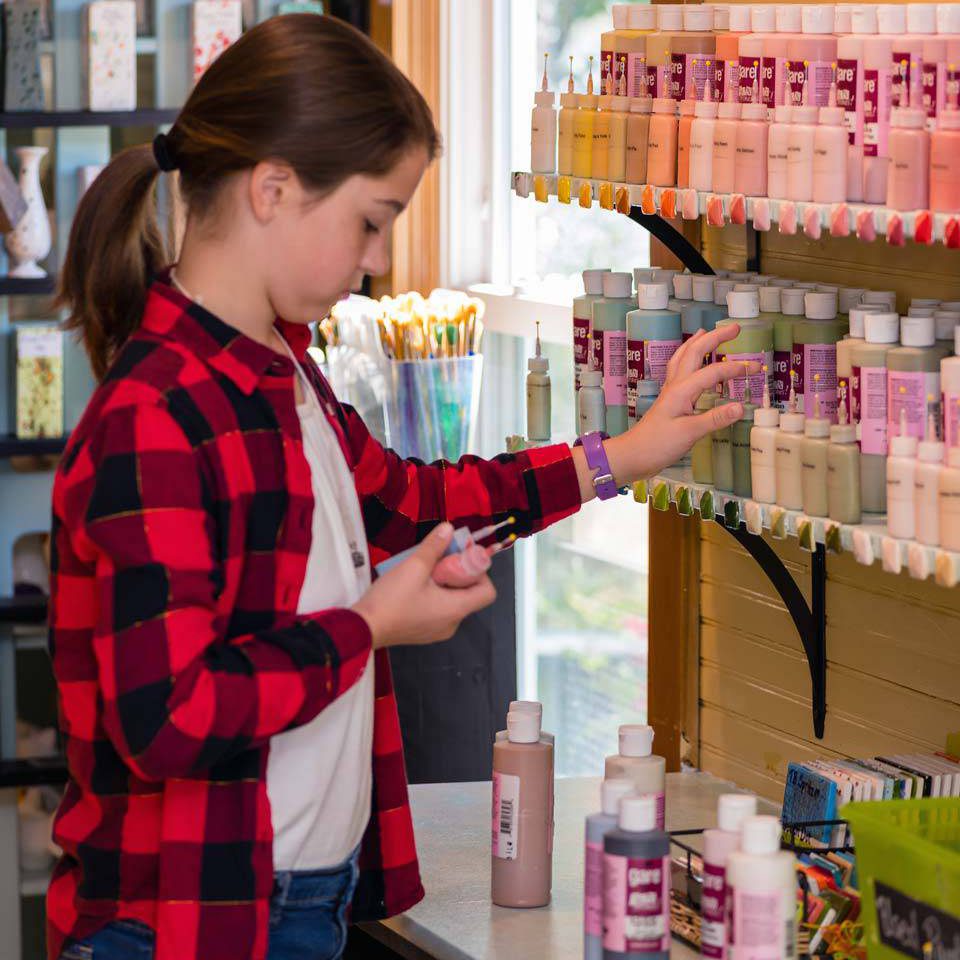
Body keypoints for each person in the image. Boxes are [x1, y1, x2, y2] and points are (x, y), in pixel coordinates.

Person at [47, 14, 747, 960]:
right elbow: (169, 717)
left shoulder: (282, 370)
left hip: (300, 902)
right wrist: (371, 625)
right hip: (183, 924)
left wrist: (622, 456)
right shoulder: (156, 415)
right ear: (273, 189)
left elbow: (412, 504)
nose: (378, 258)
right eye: (371, 221)